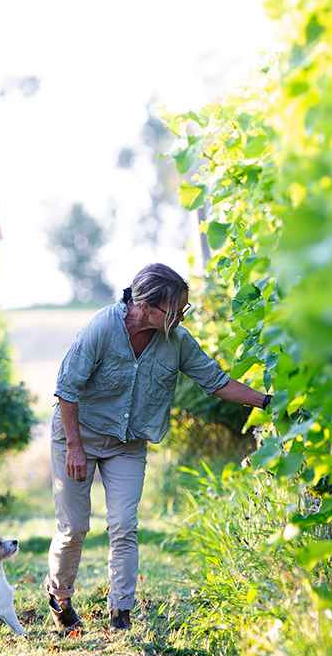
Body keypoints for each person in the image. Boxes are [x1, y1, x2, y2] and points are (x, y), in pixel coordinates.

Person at [46, 263, 272, 631]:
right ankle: (60, 596)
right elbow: (67, 389)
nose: (182, 315)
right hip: (78, 434)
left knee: (124, 525)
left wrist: (265, 401)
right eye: (176, 309)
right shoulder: (103, 328)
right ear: (147, 306)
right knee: (74, 528)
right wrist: (74, 447)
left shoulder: (176, 341)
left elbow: (215, 381)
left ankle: (121, 612)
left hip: (127, 443)